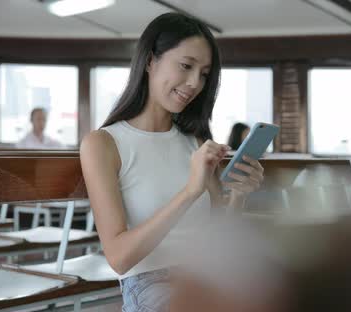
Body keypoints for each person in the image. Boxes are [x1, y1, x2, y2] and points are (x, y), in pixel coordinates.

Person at [79, 13, 265, 312]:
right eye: (186, 66)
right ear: (151, 61)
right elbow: (119, 258)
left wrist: (240, 196)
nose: (195, 83)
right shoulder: (103, 144)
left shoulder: (195, 140)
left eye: (204, 74)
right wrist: (190, 191)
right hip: (149, 284)